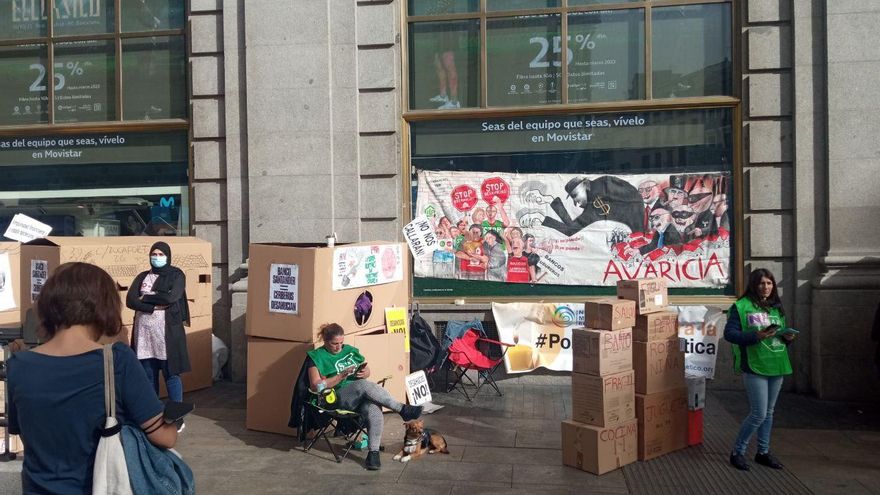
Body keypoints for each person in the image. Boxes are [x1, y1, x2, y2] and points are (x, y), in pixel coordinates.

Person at [6, 262, 177, 493]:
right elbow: (163, 437)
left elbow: (27, 436)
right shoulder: (116, 360)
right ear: (104, 307)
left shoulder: (19, 366)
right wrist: (175, 424)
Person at [308, 324, 423, 470]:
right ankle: (402, 409)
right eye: (334, 344)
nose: (339, 347)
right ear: (325, 341)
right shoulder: (316, 356)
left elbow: (367, 370)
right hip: (336, 398)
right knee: (363, 385)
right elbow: (315, 386)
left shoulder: (350, 350)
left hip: (359, 395)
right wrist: (340, 377)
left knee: (373, 406)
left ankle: (373, 453)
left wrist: (365, 371)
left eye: (341, 343)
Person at [723, 268, 795, 471]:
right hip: (755, 365)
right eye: (762, 283)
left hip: (777, 363)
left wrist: (786, 338)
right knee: (758, 414)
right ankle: (738, 451)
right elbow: (730, 334)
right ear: (754, 285)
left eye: (770, 283)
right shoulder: (741, 306)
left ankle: (763, 452)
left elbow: (778, 334)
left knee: (769, 412)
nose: (766, 287)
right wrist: (756, 336)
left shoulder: (776, 307)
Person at [126, 241, 191, 431]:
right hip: (144, 333)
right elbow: (130, 300)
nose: (157, 257)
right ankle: (152, 415)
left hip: (166, 333)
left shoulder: (176, 275)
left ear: (168, 256)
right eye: (154, 254)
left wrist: (144, 298)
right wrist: (153, 304)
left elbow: (171, 298)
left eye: (161, 254)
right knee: (148, 373)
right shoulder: (143, 276)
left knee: (171, 373)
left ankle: (176, 416)